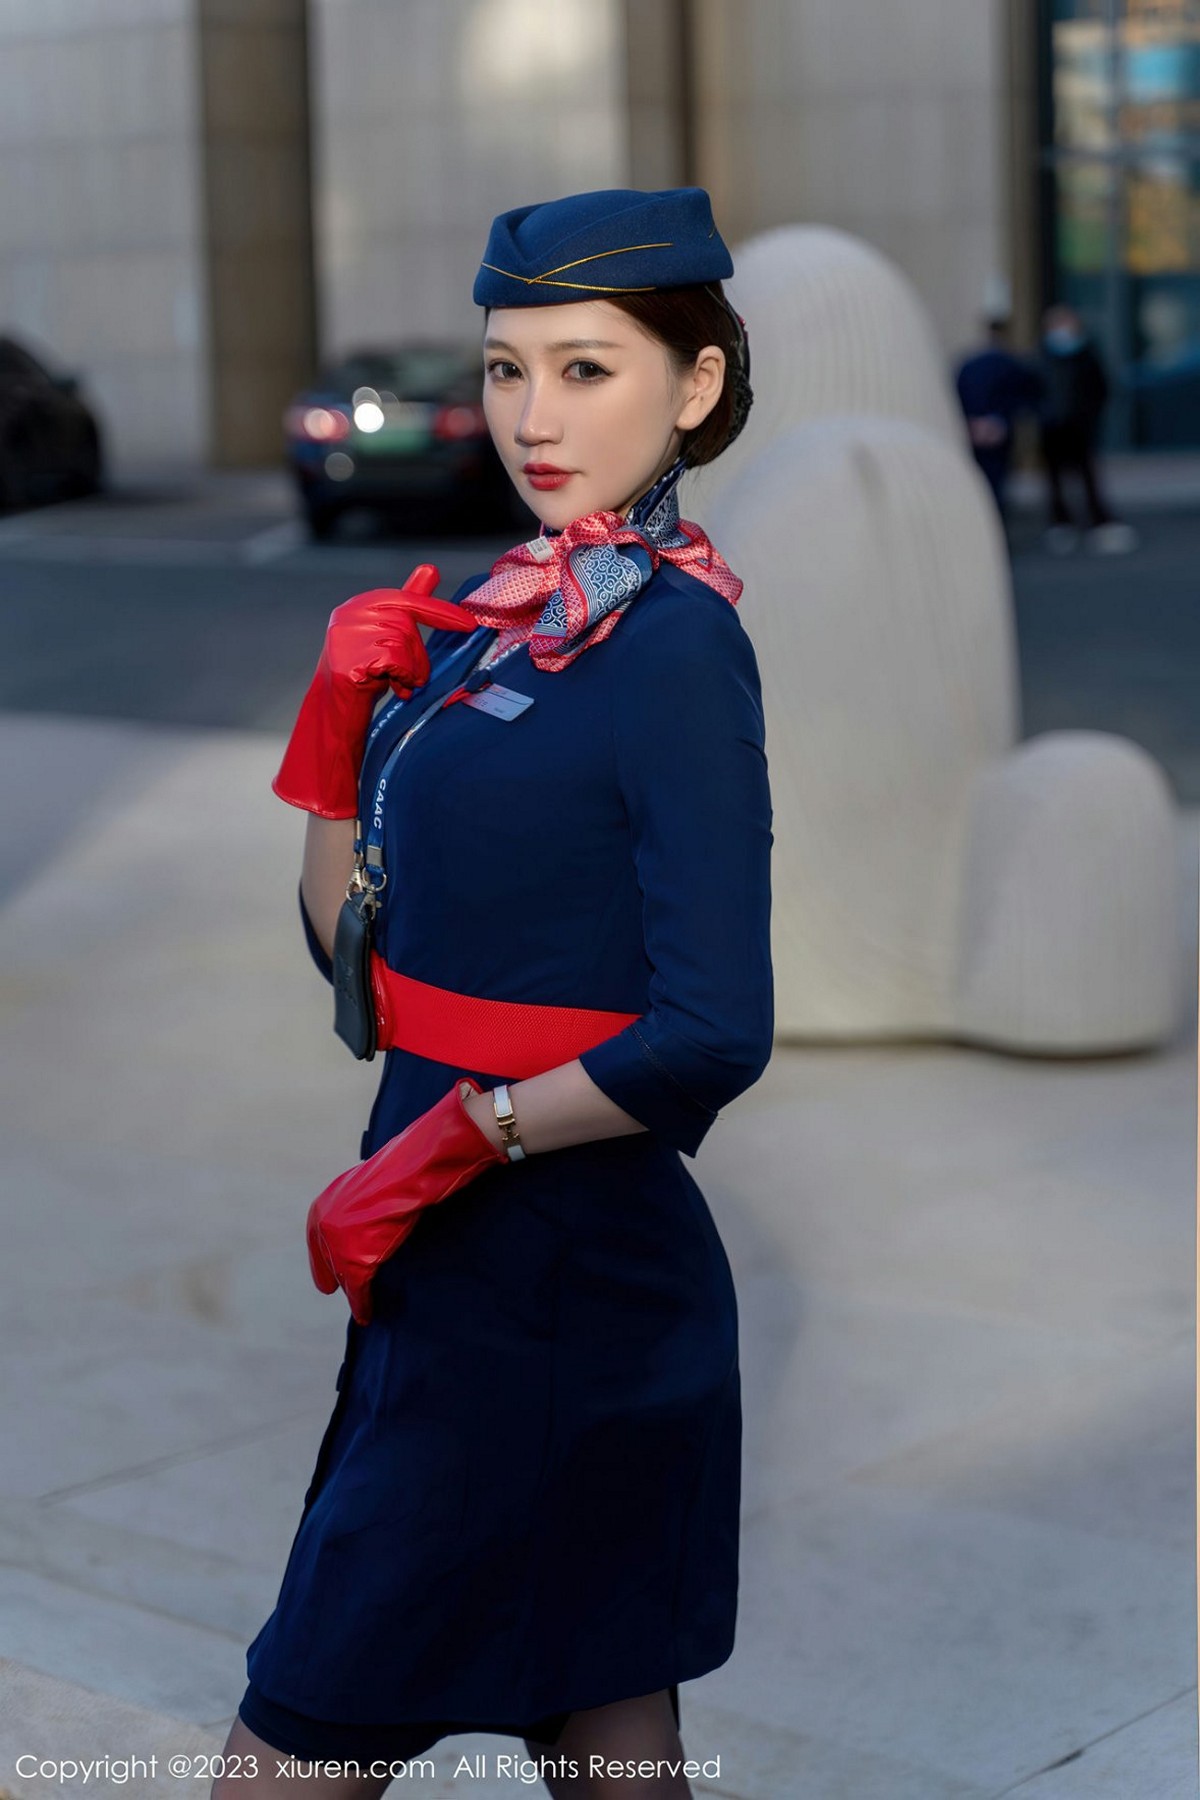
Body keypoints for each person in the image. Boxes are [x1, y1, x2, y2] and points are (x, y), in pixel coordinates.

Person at [212, 186, 774, 1800]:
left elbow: (714, 1028)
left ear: (696, 386)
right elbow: (358, 964)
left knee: (294, 1742)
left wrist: (461, 1143)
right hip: (458, 1265)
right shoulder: (506, 619)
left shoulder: (671, 646)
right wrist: (338, 733)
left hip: (562, 1276)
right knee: (606, 1728)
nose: (535, 417)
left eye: (586, 369)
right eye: (507, 369)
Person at [1037, 304, 1137, 554]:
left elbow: (1101, 389)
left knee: (1087, 476)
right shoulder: (1041, 358)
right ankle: (1061, 523)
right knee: (1055, 479)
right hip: (1052, 429)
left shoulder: (1086, 356)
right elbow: (1032, 391)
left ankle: (1098, 521)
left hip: (1080, 427)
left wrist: (1089, 415)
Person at [953, 313, 1045, 523]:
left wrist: (973, 422)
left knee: (979, 479)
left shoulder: (970, 364)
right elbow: (1027, 396)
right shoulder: (1011, 363)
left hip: (977, 429)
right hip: (995, 430)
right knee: (995, 481)